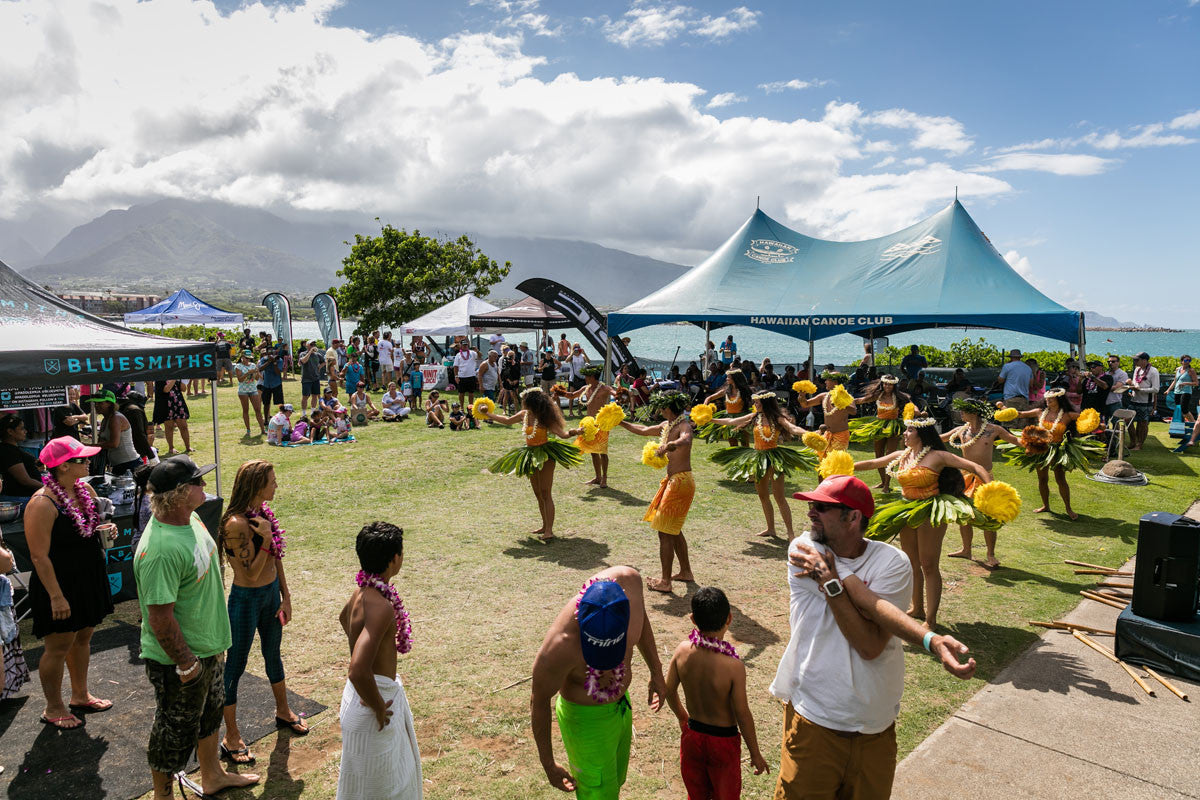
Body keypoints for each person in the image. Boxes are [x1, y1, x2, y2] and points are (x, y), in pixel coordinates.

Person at [771, 475, 977, 799]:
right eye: (811, 504)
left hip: (876, 729)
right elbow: (868, 630)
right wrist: (834, 585)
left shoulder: (892, 562)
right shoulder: (805, 550)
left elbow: (873, 625)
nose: (811, 512)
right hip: (816, 721)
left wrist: (932, 641)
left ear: (853, 517)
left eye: (822, 507)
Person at [133, 455, 260, 798]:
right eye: (198, 482)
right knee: (173, 730)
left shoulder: (190, 519)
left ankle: (212, 776)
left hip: (207, 646)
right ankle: (163, 795)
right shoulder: (159, 549)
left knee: (209, 716)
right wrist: (186, 663)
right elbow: (159, 618)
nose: (205, 486)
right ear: (178, 493)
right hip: (180, 659)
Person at [530, 567, 668, 798]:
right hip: (587, 722)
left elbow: (641, 623)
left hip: (621, 708)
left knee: (614, 782)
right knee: (598, 793)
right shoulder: (559, 648)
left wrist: (656, 671)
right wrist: (548, 764)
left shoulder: (630, 585)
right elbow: (539, 700)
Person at [852, 417, 990, 628]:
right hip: (907, 509)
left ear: (921, 434)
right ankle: (917, 608)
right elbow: (872, 463)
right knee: (911, 563)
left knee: (929, 565)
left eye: (909, 431)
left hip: (930, 511)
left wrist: (991, 490)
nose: (904, 434)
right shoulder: (902, 456)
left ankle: (931, 620)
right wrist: (842, 467)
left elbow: (974, 466)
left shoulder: (937, 456)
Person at [24, 437, 117, 729]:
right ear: (63, 466)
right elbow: (39, 557)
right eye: (81, 459)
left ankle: (80, 695)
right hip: (59, 584)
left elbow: (87, 529)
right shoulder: (42, 502)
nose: (88, 462)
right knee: (59, 644)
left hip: (87, 577)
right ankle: (53, 707)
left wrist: (105, 528)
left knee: (83, 637)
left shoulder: (84, 489)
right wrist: (56, 596)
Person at [218, 460, 306, 767]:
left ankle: (283, 711)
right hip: (246, 599)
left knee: (273, 653)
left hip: (270, 597)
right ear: (256, 485)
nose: (276, 485)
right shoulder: (235, 525)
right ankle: (231, 737)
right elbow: (251, 574)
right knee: (236, 666)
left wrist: (286, 596)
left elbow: (276, 559)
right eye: (272, 481)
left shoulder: (264, 514)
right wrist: (266, 539)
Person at [337, 522, 421, 799]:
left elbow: (343, 618)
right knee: (387, 790)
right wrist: (377, 704)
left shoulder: (360, 593)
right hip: (372, 706)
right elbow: (357, 670)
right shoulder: (381, 607)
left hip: (359, 699)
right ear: (394, 559)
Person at [664, 587, 769, 799]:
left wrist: (682, 716)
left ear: (692, 619)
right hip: (723, 743)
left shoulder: (682, 650)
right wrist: (755, 753)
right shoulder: (733, 666)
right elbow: (742, 713)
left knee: (697, 794)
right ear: (729, 618)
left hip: (693, 735)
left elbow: (668, 690)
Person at [618, 391, 697, 592]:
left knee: (665, 531)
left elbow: (686, 440)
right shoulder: (666, 426)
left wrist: (671, 444)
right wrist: (621, 423)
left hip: (681, 482)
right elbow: (643, 429)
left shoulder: (683, 426)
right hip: (673, 481)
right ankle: (686, 572)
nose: (659, 410)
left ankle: (665, 581)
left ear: (669, 407)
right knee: (674, 529)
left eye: (661, 407)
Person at [710, 391, 817, 540]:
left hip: (774, 458)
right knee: (763, 495)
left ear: (765, 403)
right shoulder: (754, 418)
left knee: (779, 496)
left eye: (757, 402)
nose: (755, 405)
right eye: (755, 402)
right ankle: (771, 529)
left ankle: (790, 533)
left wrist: (808, 434)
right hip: (758, 458)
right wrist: (711, 419)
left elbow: (793, 429)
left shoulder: (777, 418)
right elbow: (731, 421)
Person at [484, 387, 582, 541]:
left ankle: (549, 530)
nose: (522, 403)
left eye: (524, 401)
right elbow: (507, 421)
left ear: (532, 402)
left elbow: (562, 435)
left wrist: (574, 432)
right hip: (529, 455)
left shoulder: (545, 417)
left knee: (545, 492)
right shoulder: (524, 415)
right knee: (537, 493)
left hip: (545, 455)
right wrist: (488, 414)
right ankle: (544, 526)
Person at [999, 388, 1101, 519]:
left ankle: (1068, 509)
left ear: (1059, 399)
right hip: (1040, 449)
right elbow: (1019, 414)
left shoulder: (1067, 415)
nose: (1047, 401)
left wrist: (1099, 425)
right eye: (1046, 399)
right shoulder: (1039, 412)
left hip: (1058, 451)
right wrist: (1003, 408)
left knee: (1060, 479)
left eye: (1051, 399)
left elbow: (1085, 419)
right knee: (1042, 479)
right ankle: (1045, 505)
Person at [942, 399, 1020, 569]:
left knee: (989, 516)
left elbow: (1015, 440)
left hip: (985, 478)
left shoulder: (993, 430)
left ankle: (990, 554)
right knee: (964, 515)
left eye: (964, 411)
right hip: (964, 479)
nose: (960, 414)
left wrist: (1036, 443)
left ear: (975, 412)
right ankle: (966, 549)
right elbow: (940, 439)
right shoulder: (960, 430)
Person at [849, 375, 909, 491]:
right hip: (879, 426)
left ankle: (887, 485)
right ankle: (882, 481)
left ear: (894, 385)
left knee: (889, 454)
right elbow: (860, 400)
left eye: (890, 384)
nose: (887, 386)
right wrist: (844, 401)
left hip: (893, 426)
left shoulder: (898, 396)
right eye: (886, 384)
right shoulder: (878, 395)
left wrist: (918, 412)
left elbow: (911, 405)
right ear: (882, 384)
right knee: (879, 455)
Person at [563, 364, 616, 488]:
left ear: (592, 376)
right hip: (589, 424)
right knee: (593, 451)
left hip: (602, 424)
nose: (585, 378)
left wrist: (621, 394)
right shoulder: (585, 388)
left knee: (602, 451)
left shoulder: (604, 388)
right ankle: (597, 477)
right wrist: (559, 391)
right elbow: (572, 395)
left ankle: (604, 478)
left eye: (586, 376)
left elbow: (614, 392)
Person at [801, 371, 857, 456]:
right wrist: (802, 396)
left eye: (827, 380)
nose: (825, 382)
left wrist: (841, 404)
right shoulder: (823, 396)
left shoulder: (846, 397)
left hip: (841, 435)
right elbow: (805, 404)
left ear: (835, 382)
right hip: (827, 433)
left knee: (835, 461)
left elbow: (853, 411)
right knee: (822, 460)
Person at [87, 390, 141, 475]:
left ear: (109, 403)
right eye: (95, 403)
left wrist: (89, 446)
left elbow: (114, 444)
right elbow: (102, 443)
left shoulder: (115, 418)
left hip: (129, 464)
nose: (96, 405)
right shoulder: (106, 419)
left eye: (100, 403)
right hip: (119, 464)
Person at [698, 368, 751, 447]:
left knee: (745, 443)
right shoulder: (726, 390)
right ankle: (734, 458)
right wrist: (705, 407)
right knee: (732, 443)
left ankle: (746, 458)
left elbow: (753, 402)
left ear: (735, 378)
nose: (727, 379)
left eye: (729, 377)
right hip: (728, 418)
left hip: (742, 418)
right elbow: (709, 398)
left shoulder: (744, 391)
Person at [0, 414, 45, 503]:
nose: (25, 431)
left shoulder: (13, 449)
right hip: (18, 498)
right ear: (10, 431)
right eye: (21, 428)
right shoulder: (8, 451)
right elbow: (24, 480)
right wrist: (47, 487)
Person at [1126, 352, 1160, 451]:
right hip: (1134, 400)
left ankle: (1139, 444)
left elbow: (1156, 389)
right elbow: (1135, 384)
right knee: (1127, 420)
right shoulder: (1137, 369)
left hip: (1146, 402)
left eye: (1137, 360)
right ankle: (1133, 442)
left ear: (1144, 361)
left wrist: (1140, 390)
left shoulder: (1153, 371)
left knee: (1142, 423)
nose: (1135, 361)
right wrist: (1131, 389)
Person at [152, 379, 191, 454]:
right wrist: (173, 379)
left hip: (178, 403)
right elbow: (166, 389)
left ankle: (188, 446)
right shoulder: (160, 378)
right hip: (166, 405)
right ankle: (171, 447)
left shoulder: (176, 375)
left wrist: (183, 381)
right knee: (169, 427)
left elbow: (183, 389)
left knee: (184, 426)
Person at [120, 391, 156, 464]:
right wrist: (151, 456)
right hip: (134, 452)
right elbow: (139, 434)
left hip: (123, 450)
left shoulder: (122, 409)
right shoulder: (135, 411)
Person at [1167, 355, 1197, 424]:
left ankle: (1193, 423)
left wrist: (1185, 383)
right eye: (1186, 360)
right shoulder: (1178, 369)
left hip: (1186, 392)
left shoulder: (1191, 371)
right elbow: (1175, 381)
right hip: (1177, 391)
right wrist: (1168, 390)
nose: (1188, 362)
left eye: (1189, 360)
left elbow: (1196, 383)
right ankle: (1181, 423)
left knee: (1184, 409)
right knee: (1179, 408)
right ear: (1182, 361)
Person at [298, 339, 324, 413]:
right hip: (306, 379)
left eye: (314, 344)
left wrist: (319, 367)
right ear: (307, 346)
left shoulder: (317, 355)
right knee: (305, 396)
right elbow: (303, 361)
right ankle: (304, 413)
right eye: (311, 345)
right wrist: (310, 352)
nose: (313, 346)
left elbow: (324, 362)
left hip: (315, 378)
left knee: (315, 395)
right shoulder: (303, 354)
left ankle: (313, 412)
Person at [452, 342, 481, 410]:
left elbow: (480, 356)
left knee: (471, 393)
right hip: (461, 376)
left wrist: (477, 351)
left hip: (471, 375)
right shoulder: (458, 355)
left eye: (466, 345)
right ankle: (461, 407)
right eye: (464, 345)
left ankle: (470, 407)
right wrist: (456, 376)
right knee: (461, 393)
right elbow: (455, 366)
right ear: (461, 346)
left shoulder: (472, 353)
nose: (465, 346)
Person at [1105, 355, 1130, 419]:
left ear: (1118, 363)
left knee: (1115, 423)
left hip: (1115, 402)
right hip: (1104, 401)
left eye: (1113, 361)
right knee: (1104, 423)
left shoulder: (1122, 374)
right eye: (1109, 361)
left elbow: (1117, 388)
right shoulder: (1106, 373)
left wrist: (1104, 387)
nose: (1110, 363)